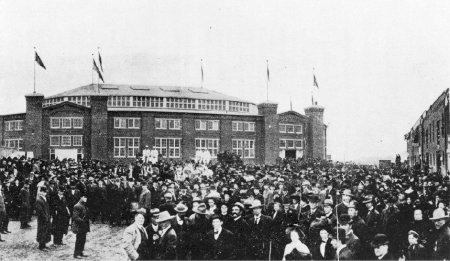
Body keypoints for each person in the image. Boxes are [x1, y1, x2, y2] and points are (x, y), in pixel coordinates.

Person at [72, 193, 90, 259]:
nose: (86, 199)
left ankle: (81, 252)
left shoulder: (83, 205)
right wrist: (82, 221)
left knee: (83, 239)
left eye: (86, 198)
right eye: (84, 197)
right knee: (79, 240)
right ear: (81, 197)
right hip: (79, 226)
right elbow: (75, 217)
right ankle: (76, 254)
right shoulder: (77, 206)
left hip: (83, 226)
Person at [35, 187, 51, 251]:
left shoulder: (44, 198)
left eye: (45, 192)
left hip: (46, 217)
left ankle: (44, 244)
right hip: (42, 219)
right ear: (40, 192)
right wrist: (45, 217)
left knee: (45, 231)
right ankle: (41, 246)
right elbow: (40, 211)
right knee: (42, 231)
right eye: (43, 192)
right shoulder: (39, 200)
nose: (45, 193)